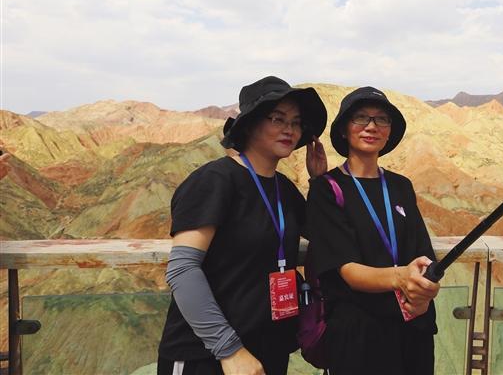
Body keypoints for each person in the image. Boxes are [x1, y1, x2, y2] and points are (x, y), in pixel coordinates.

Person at [157, 76, 328, 375]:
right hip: (208, 356)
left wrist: (318, 181)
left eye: (296, 122)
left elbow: (322, 233)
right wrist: (230, 351)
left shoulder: (284, 189)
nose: (289, 129)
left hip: (267, 352)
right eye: (278, 118)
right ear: (249, 125)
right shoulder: (215, 181)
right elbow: (182, 270)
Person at [307, 86, 440, 375]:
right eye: (360, 118)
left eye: (381, 119)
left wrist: (424, 293)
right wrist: (403, 278)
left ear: (389, 132)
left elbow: (422, 253)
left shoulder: (401, 186)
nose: (371, 126)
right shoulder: (327, 189)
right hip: (359, 334)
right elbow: (348, 270)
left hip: (412, 326)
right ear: (344, 130)